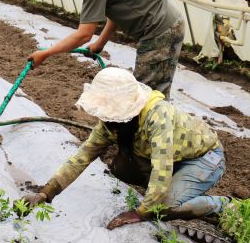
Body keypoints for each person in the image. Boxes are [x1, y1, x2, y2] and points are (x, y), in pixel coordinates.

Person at [26, 67, 229, 230]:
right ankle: (172, 190)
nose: (103, 119)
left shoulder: (157, 116)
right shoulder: (110, 124)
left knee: (163, 208)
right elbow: (82, 157)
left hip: (204, 158)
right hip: (174, 159)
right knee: (121, 167)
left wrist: (141, 212)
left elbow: (162, 168)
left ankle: (223, 206)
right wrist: (46, 193)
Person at [29, 0, 186, 97]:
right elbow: (117, 12)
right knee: (153, 94)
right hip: (166, 26)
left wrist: (46, 54)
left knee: (146, 98)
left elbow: (84, 34)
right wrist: (99, 43)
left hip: (160, 31)